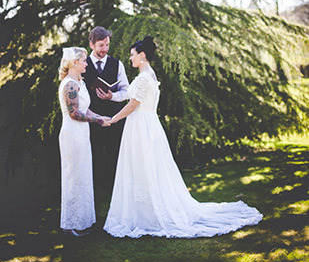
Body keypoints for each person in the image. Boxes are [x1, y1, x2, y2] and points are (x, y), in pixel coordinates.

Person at [103, 36, 263, 238]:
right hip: (145, 124)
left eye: (133, 55)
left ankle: (150, 215)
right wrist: (112, 96)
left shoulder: (144, 78)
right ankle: (144, 211)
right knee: (144, 167)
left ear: (142, 55)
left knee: (145, 167)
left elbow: (133, 104)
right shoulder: (148, 74)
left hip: (141, 126)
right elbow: (130, 97)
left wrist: (114, 119)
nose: (130, 58)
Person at [58, 47, 110, 236]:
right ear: (74, 63)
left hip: (82, 134)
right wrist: (97, 121)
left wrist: (101, 117)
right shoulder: (69, 85)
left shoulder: (80, 82)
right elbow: (74, 114)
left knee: (82, 175)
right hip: (72, 134)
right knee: (73, 177)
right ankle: (70, 224)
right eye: (84, 61)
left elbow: (85, 111)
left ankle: (81, 222)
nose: (87, 64)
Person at [82, 27, 129, 208]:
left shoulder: (117, 64)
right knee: (94, 160)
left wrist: (113, 96)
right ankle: (93, 204)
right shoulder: (83, 64)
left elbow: (126, 91)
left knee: (115, 159)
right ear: (92, 44)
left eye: (107, 45)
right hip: (91, 121)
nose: (105, 49)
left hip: (114, 120)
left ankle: (117, 204)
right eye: (101, 45)